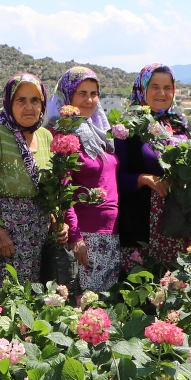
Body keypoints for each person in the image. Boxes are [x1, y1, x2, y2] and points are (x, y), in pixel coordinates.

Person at [0, 73, 80, 288]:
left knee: (40, 293)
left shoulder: (46, 136)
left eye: (35, 100)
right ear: (9, 103)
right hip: (8, 235)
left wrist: (57, 219)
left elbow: (52, 186)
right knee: (8, 294)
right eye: (21, 100)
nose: (29, 107)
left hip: (40, 233)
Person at [114, 64, 191, 269]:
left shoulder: (185, 126)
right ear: (142, 89)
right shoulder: (127, 129)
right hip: (143, 226)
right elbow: (114, 179)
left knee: (183, 289)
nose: (162, 93)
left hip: (184, 224)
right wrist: (144, 178)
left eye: (168, 87)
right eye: (155, 86)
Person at [46, 67, 120, 291]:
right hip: (86, 236)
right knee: (84, 308)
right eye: (81, 93)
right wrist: (75, 236)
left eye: (94, 93)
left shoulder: (100, 133)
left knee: (107, 308)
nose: (89, 100)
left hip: (112, 234)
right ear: (68, 96)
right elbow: (63, 189)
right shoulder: (61, 134)